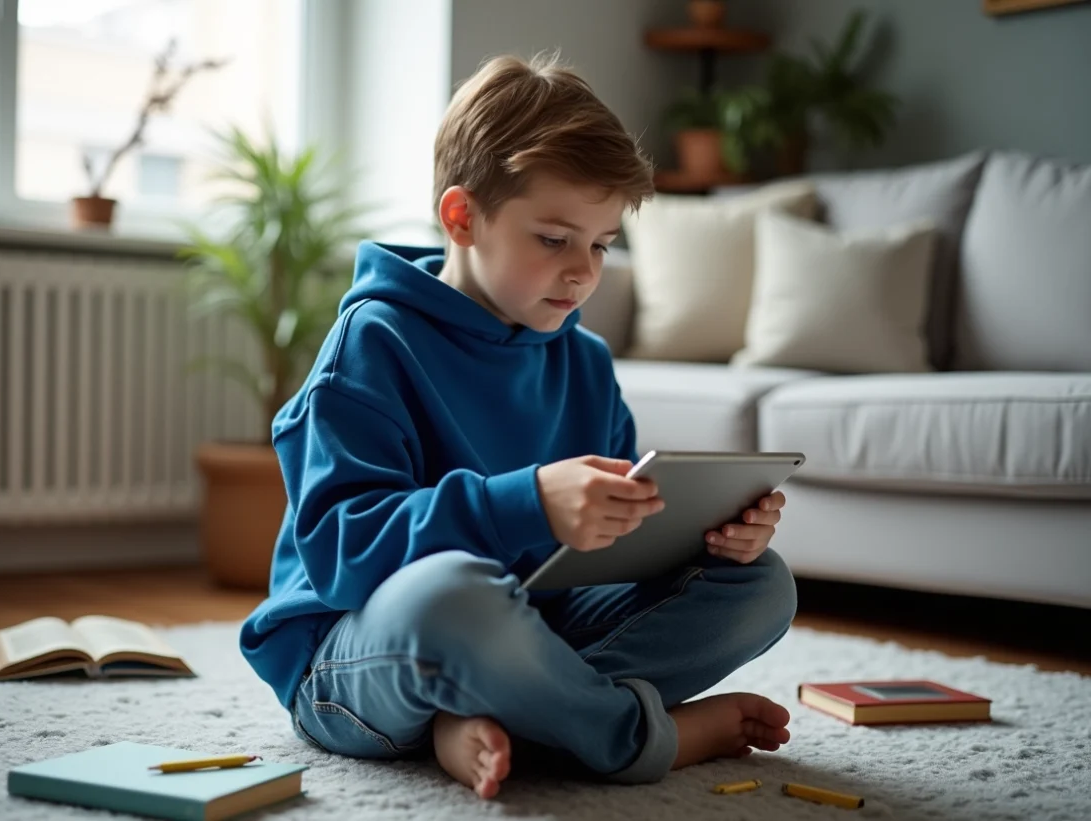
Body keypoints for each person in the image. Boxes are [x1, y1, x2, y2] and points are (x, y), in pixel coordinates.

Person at [239, 52, 796, 800]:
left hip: (521, 635)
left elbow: (612, 546)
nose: (584, 272)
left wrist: (705, 533)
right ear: (463, 217)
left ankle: (503, 715)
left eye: (601, 244)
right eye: (554, 238)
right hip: (358, 661)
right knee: (450, 592)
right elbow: (344, 553)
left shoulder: (585, 361)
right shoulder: (372, 344)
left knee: (761, 584)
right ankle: (634, 736)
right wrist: (526, 500)